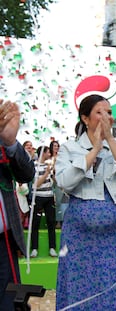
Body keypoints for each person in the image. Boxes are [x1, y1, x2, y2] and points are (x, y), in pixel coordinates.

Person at [55, 94, 116, 310]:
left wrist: (110, 141)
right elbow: (65, 182)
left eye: (109, 113)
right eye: (99, 112)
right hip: (80, 234)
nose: (106, 117)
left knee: (114, 280)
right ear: (85, 118)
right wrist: (94, 150)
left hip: (115, 233)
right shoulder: (69, 148)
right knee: (80, 280)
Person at [0, 99, 35, 309]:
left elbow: (27, 174)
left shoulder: (4, 141)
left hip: (4, 241)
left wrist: (10, 142)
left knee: (10, 303)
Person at [30, 146, 57, 258]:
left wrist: (54, 173)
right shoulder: (34, 166)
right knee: (35, 223)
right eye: (47, 152)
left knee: (51, 223)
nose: (49, 154)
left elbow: (55, 181)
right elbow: (36, 184)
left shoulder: (48, 166)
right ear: (43, 153)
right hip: (38, 197)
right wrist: (46, 173)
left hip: (49, 197)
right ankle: (34, 248)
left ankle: (52, 248)